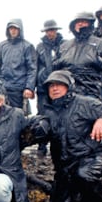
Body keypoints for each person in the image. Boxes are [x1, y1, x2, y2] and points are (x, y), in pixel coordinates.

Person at [42, 70, 102, 202]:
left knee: (85, 175)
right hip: (65, 166)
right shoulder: (47, 111)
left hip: (92, 157)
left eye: (59, 84)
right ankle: (79, 195)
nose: (54, 88)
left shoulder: (85, 103)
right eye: (51, 86)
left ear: (69, 86)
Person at [53, 12, 102, 100]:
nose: (80, 24)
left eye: (83, 21)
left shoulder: (100, 44)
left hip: (91, 91)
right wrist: (63, 62)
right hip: (68, 90)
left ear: (90, 24)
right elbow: (54, 66)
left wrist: (97, 60)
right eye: (77, 22)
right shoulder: (65, 46)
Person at [35, 19, 66, 156]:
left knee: (61, 115)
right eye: (48, 30)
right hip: (43, 87)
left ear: (56, 30)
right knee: (42, 115)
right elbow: (35, 67)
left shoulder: (65, 45)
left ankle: (60, 145)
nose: (50, 33)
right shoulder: (40, 47)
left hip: (60, 87)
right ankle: (41, 145)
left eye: (52, 30)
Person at [0, 18, 37, 113]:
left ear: (20, 30)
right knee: (1, 116)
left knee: (19, 116)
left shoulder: (27, 46)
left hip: (19, 90)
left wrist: (29, 88)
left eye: (15, 28)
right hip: (3, 88)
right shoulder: (2, 45)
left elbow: (32, 69)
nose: (13, 31)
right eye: (11, 28)